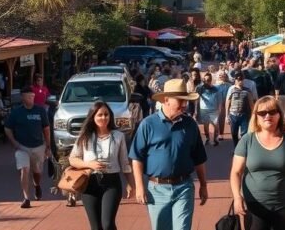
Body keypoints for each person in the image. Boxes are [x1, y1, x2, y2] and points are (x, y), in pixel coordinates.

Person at [129, 79, 208, 230]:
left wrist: (203, 185)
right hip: (157, 189)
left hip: (184, 187)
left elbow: (199, 158)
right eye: (180, 100)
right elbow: (137, 158)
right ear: (166, 100)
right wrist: (139, 186)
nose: (184, 104)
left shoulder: (190, 124)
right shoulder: (148, 124)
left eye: (186, 100)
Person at [230, 96, 285, 230]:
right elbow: (236, 172)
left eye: (272, 112)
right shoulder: (247, 140)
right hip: (255, 207)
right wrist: (237, 197)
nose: (267, 116)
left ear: (279, 115)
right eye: (262, 113)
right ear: (256, 116)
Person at [69, 101, 135, 230]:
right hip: (90, 183)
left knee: (107, 224)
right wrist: (89, 164)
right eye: (99, 115)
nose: (103, 117)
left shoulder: (118, 136)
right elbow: (73, 159)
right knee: (96, 226)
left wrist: (131, 184)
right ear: (93, 117)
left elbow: (125, 163)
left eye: (106, 114)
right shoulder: (85, 136)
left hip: (111, 183)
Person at [4, 86, 52, 208]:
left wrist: (48, 145)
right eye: (29, 96)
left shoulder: (40, 110)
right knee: (24, 169)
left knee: (37, 172)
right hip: (22, 147)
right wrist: (14, 142)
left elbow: (46, 128)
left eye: (33, 96)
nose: (31, 98)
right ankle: (26, 198)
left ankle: (37, 185)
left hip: (38, 146)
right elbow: (7, 128)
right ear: (23, 97)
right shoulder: (16, 112)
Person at [226, 72, 257, 146]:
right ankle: (236, 147)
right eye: (238, 79)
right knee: (234, 133)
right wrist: (226, 115)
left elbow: (251, 103)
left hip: (244, 115)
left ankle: (243, 147)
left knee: (244, 134)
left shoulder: (247, 91)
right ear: (235, 80)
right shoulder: (231, 89)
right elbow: (228, 102)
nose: (240, 81)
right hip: (233, 115)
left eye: (241, 79)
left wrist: (253, 115)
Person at [195, 73, 221, 146]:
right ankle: (207, 138)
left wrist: (219, 109)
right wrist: (196, 110)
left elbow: (219, 99)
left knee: (215, 124)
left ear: (211, 80)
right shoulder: (200, 88)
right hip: (204, 109)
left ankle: (215, 138)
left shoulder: (216, 89)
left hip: (214, 109)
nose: (206, 81)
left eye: (208, 80)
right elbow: (196, 99)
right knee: (206, 124)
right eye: (205, 80)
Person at [215, 72, 231, 142]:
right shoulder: (215, 86)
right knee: (218, 119)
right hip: (218, 104)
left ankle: (221, 133)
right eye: (220, 75)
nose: (222, 76)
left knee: (224, 119)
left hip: (227, 104)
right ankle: (219, 133)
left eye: (223, 75)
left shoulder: (229, 85)